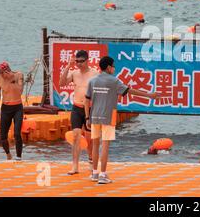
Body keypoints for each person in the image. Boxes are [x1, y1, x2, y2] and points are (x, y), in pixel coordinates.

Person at [85, 56, 161, 184]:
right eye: (113, 66)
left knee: (95, 145)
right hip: (108, 116)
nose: (114, 68)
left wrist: (87, 117)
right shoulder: (114, 81)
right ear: (109, 67)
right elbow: (131, 91)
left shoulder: (93, 81)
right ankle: (103, 175)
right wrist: (149, 95)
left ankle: (95, 173)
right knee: (105, 146)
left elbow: (86, 100)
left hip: (94, 116)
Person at [60, 50, 99, 175]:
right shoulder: (74, 73)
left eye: (81, 61)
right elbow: (62, 83)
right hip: (77, 108)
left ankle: (91, 159)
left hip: (90, 108)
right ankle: (75, 166)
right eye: (77, 62)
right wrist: (68, 66)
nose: (79, 64)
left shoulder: (94, 74)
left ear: (87, 61)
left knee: (90, 139)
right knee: (76, 135)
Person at [0, 62, 24, 161]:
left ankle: (18, 156)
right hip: (5, 108)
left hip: (17, 108)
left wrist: (12, 79)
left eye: (2, 72)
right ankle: (8, 154)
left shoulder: (18, 75)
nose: (1, 75)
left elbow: (20, 91)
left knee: (17, 133)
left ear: (7, 71)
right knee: (3, 136)